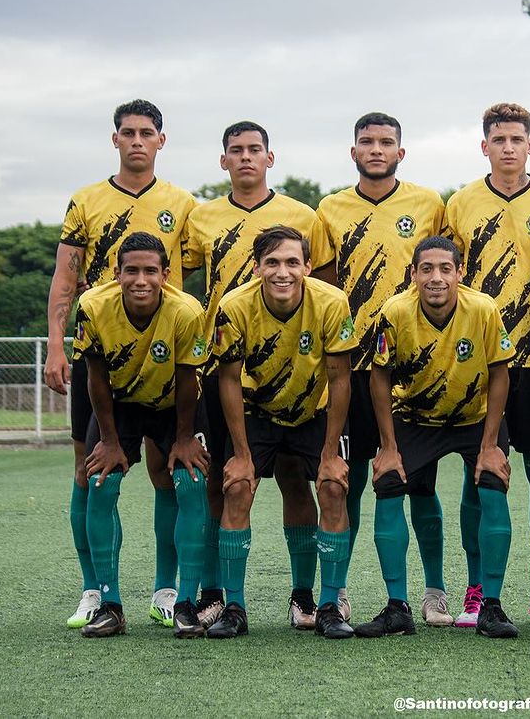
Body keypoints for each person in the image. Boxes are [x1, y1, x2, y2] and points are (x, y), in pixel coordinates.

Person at [45, 99, 197, 629]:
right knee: (90, 473)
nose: (137, 140)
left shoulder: (184, 203)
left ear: (161, 140)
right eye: (128, 132)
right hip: (100, 355)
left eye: (147, 132)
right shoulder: (85, 200)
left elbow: (200, 270)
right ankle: (94, 590)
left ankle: (167, 590)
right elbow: (66, 278)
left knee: (166, 473)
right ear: (115, 140)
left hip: (161, 354)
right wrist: (57, 344)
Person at [181, 121, 329, 630]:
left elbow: (322, 285)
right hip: (229, 366)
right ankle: (218, 594)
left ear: (271, 157)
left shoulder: (303, 216)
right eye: (236, 151)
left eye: (255, 150)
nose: (246, 158)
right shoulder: (200, 218)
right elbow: (179, 284)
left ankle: (306, 597)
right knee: (224, 483)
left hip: (300, 371)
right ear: (223, 160)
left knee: (296, 480)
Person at [314, 113, 451, 626]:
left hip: (412, 369)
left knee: (421, 485)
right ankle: (339, 590)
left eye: (386, 142)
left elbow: (443, 272)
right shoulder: (329, 210)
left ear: (401, 151)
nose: (376, 149)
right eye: (367, 142)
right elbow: (324, 285)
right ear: (353, 152)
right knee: (345, 483)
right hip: (351, 365)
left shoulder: (428, 204)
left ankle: (434, 591)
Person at [442, 103, 530, 628]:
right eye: (499, 140)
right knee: (480, 477)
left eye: (517, 139)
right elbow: (446, 277)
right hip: (480, 362)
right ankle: (477, 588)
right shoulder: (460, 203)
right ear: (485, 147)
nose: (508, 148)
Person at [354, 236, 517, 638]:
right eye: (426, 269)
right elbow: (380, 376)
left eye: (446, 269)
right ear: (413, 275)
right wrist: (388, 447)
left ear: (460, 274)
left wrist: (490, 444)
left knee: (493, 486)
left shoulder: (483, 309)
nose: (436, 278)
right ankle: (398, 607)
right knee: (389, 484)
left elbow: (500, 372)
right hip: (414, 416)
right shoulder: (395, 312)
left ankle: (490, 607)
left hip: (474, 416)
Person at [207, 226, 355, 639]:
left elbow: (340, 377)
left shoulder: (331, 301)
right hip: (258, 410)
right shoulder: (234, 307)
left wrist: (330, 452)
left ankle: (323, 604)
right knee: (236, 486)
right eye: (272, 262)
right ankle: (234, 607)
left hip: (314, 410)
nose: (282, 272)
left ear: (308, 266)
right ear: (256, 268)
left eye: (292, 262)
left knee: (332, 486)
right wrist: (240, 452)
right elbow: (230, 380)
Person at [72, 232, 210, 637]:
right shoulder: (93, 306)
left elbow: (189, 380)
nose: (141, 280)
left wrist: (184, 439)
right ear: (116, 274)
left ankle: (183, 602)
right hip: (120, 406)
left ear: (166, 275)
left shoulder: (186, 311)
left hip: (174, 406)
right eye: (131, 270)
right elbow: (95, 377)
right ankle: (109, 604)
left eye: (151, 271)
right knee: (101, 481)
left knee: (190, 481)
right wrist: (110, 442)